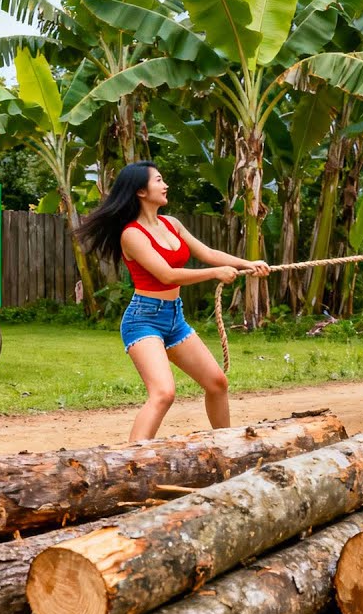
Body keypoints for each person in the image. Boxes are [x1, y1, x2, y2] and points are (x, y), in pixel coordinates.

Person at [76, 161, 270, 441]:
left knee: (217, 383)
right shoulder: (131, 234)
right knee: (163, 393)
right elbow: (166, 275)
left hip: (174, 319)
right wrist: (214, 274)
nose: (165, 185)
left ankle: (227, 447)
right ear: (141, 191)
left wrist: (247, 264)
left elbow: (208, 252)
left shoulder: (171, 224)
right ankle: (133, 464)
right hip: (143, 321)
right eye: (158, 180)